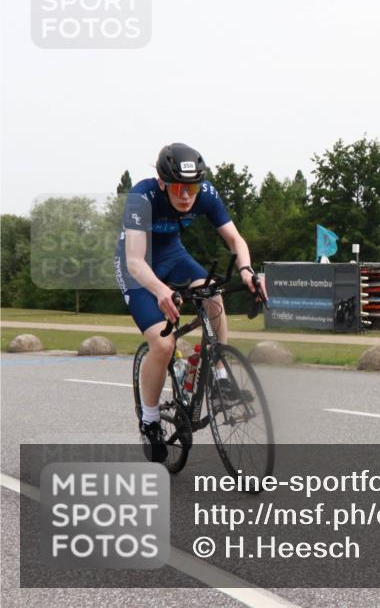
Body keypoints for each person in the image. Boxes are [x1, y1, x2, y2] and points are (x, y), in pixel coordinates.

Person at [114, 143, 267, 462]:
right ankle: (151, 421)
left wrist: (248, 271)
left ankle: (219, 375)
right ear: (162, 182)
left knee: (214, 295)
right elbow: (135, 262)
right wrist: (160, 291)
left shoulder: (206, 194)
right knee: (163, 344)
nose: (186, 195)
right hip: (139, 266)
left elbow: (235, 239)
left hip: (172, 255)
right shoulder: (142, 198)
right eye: (179, 187)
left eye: (192, 187)